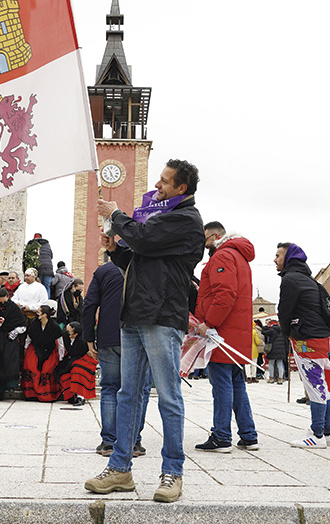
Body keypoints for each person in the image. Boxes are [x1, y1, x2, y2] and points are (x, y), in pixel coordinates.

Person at [84, 159, 203, 504]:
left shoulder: (185, 219)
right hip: (134, 314)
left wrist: (117, 214)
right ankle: (119, 468)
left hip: (162, 316)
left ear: (181, 188)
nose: (158, 185)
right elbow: (141, 258)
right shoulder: (161, 216)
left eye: (165, 181)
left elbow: (146, 240)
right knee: (128, 394)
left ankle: (173, 472)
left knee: (168, 396)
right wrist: (115, 251)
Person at [193, 221, 258, 452]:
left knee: (221, 386)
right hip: (236, 333)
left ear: (215, 236)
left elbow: (224, 294)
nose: (204, 245)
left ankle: (221, 436)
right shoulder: (239, 256)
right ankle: (249, 435)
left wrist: (209, 322)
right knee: (237, 385)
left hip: (221, 334)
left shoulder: (222, 256)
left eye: (205, 240)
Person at [80, 256, 150, 458]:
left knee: (110, 388)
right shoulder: (148, 265)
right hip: (140, 337)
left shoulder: (103, 271)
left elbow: (89, 305)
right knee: (139, 389)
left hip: (109, 336)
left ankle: (109, 442)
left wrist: (89, 338)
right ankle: (133, 441)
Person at [276, 243, 330, 448]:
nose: (275, 259)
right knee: (324, 385)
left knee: (314, 385)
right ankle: (327, 432)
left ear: (288, 258)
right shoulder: (309, 280)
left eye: (278, 255)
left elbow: (284, 312)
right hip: (321, 337)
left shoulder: (290, 279)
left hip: (306, 338)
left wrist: (286, 333)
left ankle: (317, 435)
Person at [0, 287, 27, 400]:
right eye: (0, 302)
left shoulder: (14, 308)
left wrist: (15, 332)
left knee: (9, 361)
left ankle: (10, 386)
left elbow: (22, 325)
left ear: (8, 297)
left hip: (10, 338)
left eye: (4, 301)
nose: (2, 305)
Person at [21, 303, 63, 401]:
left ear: (44, 315)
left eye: (38, 312)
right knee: (31, 367)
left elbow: (60, 343)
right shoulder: (34, 324)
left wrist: (60, 357)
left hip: (50, 350)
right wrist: (26, 351)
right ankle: (31, 394)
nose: (36, 313)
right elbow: (28, 339)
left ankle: (47, 395)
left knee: (47, 370)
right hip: (35, 348)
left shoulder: (54, 326)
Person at [56, 321, 96, 406]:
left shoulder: (82, 341)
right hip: (70, 359)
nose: (66, 333)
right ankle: (70, 396)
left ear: (75, 334)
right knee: (63, 374)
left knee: (77, 371)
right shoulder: (65, 336)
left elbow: (79, 352)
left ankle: (80, 396)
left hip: (83, 359)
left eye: (69, 332)